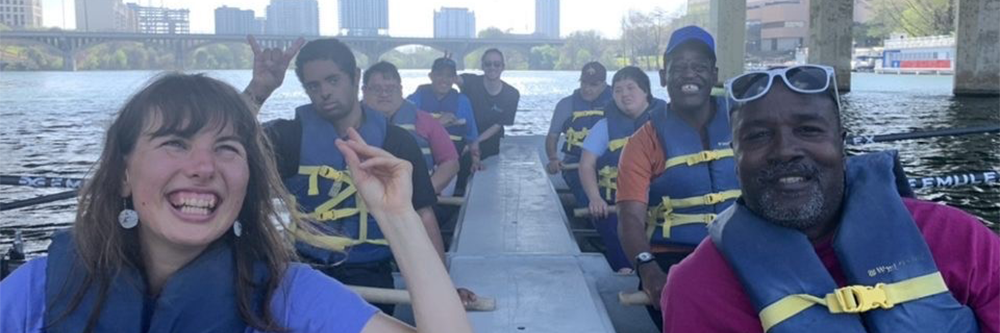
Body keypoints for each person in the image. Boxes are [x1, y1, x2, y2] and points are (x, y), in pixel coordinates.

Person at [0, 73, 473, 333]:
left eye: (227, 148)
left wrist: (397, 217)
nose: (204, 167)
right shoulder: (40, 292)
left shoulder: (288, 296)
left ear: (249, 178)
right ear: (124, 173)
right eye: (174, 143)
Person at [661, 64, 1000, 332]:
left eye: (808, 130)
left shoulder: (958, 239)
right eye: (758, 136)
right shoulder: (696, 288)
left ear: (842, 143)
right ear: (734, 159)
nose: (785, 151)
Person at [242, 37, 469, 313]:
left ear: (355, 77)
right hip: (306, 273)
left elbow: (424, 215)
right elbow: (224, 139)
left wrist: (443, 287)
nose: (324, 92)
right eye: (314, 86)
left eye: (333, 80)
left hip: (371, 275)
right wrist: (260, 89)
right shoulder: (289, 137)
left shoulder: (396, 142)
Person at [615, 25, 738, 330]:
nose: (689, 75)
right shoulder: (642, 142)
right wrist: (647, 268)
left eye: (699, 67)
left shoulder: (743, 123)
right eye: (678, 67)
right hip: (674, 260)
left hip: (741, 251)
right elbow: (630, 218)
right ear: (662, 76)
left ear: (714, 74)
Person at [578, 66, 665, 273]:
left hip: (658, 205)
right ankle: (627, 271)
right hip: (614, 205)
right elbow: (586, 165)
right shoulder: (604, 126)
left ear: (646, 91)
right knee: (620, 237)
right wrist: (595, 198)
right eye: (618, 90)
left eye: (630, 88)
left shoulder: (667, 123)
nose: (624, 94)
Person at [364, 61, 460, 195]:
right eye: (376, 89)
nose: (384, 94)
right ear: (364, 91)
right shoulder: (350, 122)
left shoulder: (425, 121)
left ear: (401, 90)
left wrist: (424, 193)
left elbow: (450, 163)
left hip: (413, 201)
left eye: (390, 89)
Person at [407, 56, 481, 192]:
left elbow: (472, 137)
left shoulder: (462, 102)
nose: (444, 80)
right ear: (431, 76)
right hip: (420, 163)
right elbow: (404, 129)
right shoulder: (415, 99)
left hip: (449, 165)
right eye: (439, 75)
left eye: (449, 76)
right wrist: (437, 123)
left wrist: (476, 160)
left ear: (454, 79)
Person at [545, 61, 613, 207]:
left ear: (603, 85)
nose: (587, 88)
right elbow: (552, 136)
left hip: (610, 162)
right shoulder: (565, 105)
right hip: (574, 163)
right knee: (586, 196)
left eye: (593, 85)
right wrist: (553, 158)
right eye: (584, 83)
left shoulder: (617, 101)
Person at [453, 49, 521, 194]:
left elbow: (498, 125)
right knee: (456, 159)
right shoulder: (471, 82)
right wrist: (448, 64)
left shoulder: (512, 94)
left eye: (497, 64)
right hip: (464, 134)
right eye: (488, 64)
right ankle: (456, 194)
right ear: (482, 66)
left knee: (477, 162)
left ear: (503, 67)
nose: (492, 68)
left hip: (489, 138)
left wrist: (475, 142)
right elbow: (450, 78)